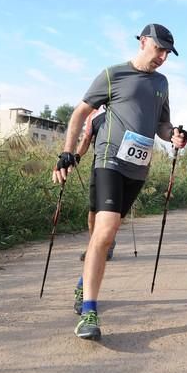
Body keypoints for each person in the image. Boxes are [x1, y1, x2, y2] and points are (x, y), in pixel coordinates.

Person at [52, 23, 187, 340]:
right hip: (108, 162)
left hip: (137, 169)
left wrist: (175, 136)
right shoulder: (113, 75)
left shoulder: (162, 83)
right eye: (159, 49)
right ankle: (89, 313)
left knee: (106, 234)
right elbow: (79, 114)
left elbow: (162, 125)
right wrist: (67, 153)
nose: (163, 57)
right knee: (106, 229)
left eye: (168, 53)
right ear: (143, 42)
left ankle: (82, 283)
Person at [75, 107, 116, 262]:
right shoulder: (93, 115)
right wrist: (76, 156)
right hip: (99, 164)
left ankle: (107, 243)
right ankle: (94, 245)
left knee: (111, 210)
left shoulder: (124, 110)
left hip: (119, 166)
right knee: (93, 209)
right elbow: (86, 139)